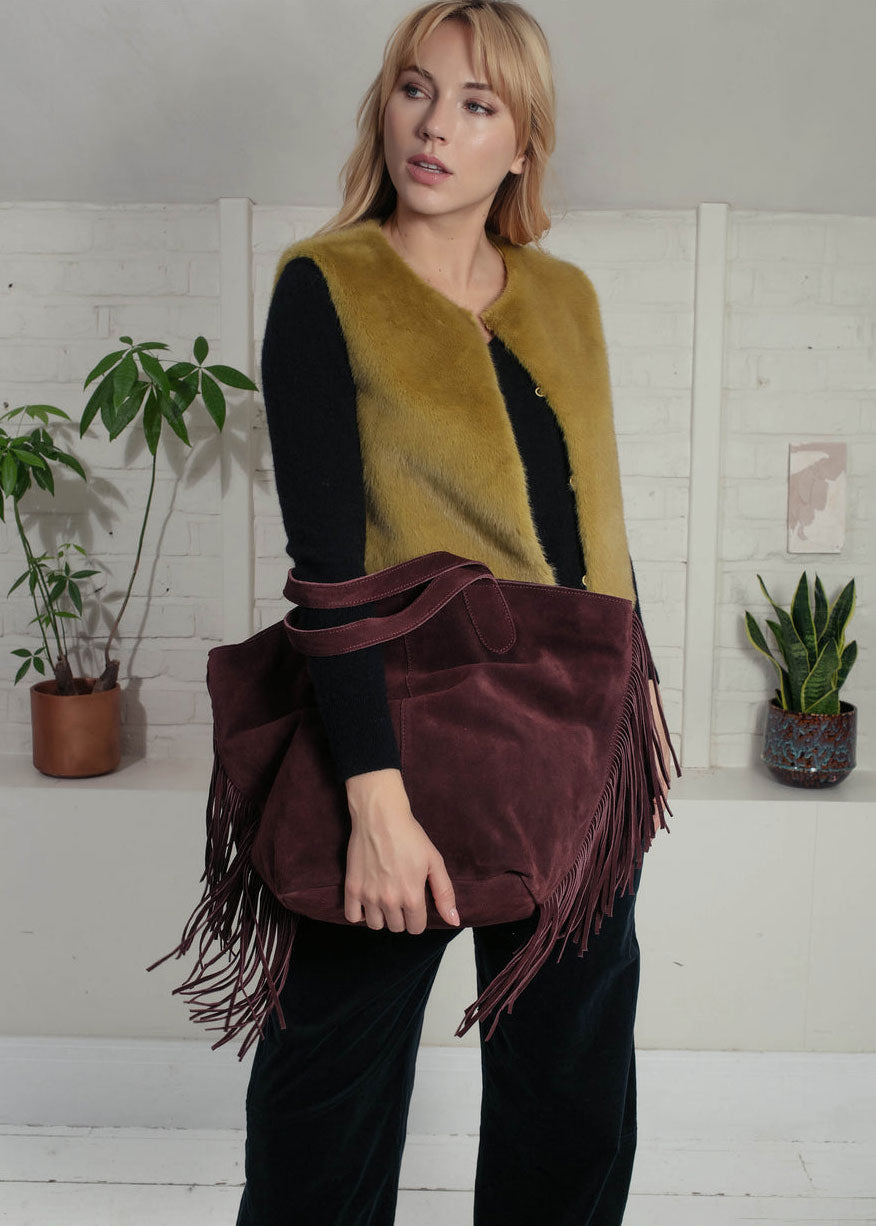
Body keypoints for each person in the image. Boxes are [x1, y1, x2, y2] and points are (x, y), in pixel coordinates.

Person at [236, 3, 673, 1223]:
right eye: (416, 89)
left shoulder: (566, 299)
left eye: (477, 105)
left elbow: (599, 529)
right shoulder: (327, 285)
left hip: (578, 744)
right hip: (400, 736)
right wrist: (374, 801)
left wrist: (636, 707)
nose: (435, 127)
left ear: (521, 144)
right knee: (325, 1099)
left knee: (573, 1090)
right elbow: (327, 568)